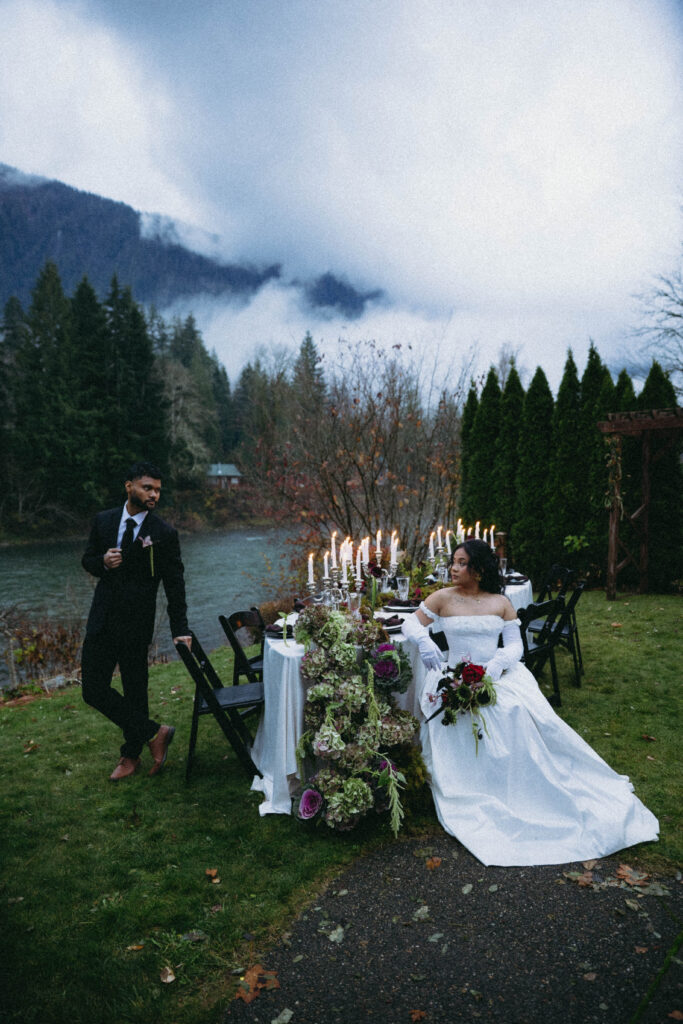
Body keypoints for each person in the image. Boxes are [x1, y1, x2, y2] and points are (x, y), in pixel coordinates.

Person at [402, 539, 659, 866]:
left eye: (461, 562)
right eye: (453, 561)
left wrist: (494, 667)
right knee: (457, 713)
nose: (453, 568)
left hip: (495, 673)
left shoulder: (501, 602)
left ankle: (525, 782)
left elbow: (514, 647)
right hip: (453, 674)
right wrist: (423, 641)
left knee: (513, 710)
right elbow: (411, 622)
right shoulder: (442, 598)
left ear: (478, 569)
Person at [81, 461, 192, 781]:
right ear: (128, 486)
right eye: (147, 488)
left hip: (136, 624)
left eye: (158, 489)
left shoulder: (164, 534)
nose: (154, 494)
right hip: (101, 619)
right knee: (92, 689)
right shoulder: (103, 521)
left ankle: (130, 757)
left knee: (135, 691)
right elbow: (87, 559)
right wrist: (102, 562)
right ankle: (155, 732)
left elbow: (175, 585)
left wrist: (180, 629)